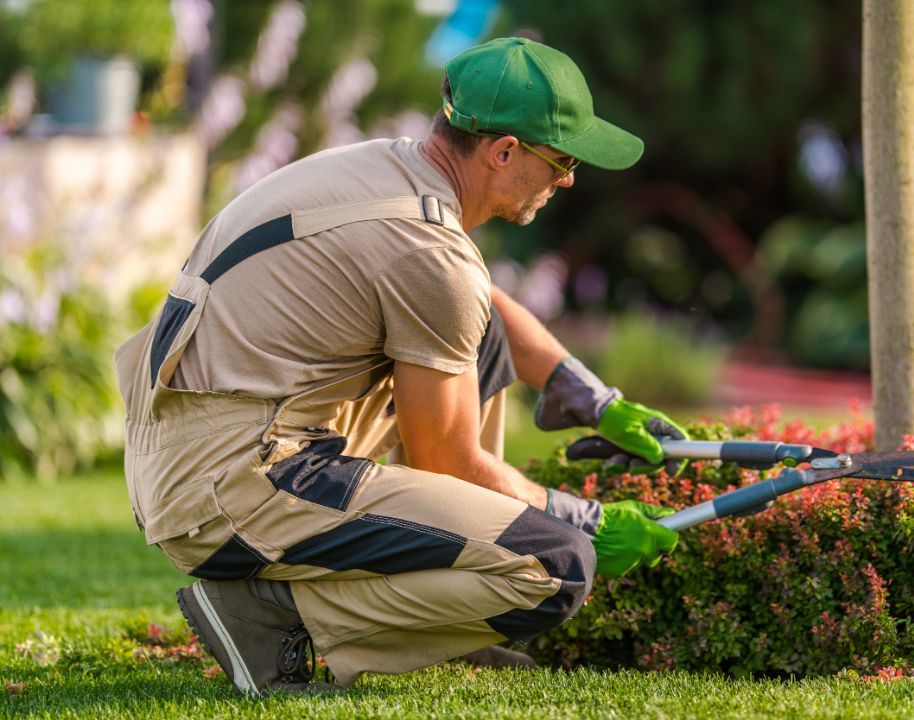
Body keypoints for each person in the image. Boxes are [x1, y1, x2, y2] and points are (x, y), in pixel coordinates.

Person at [114, 36, 684, 695]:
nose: (569, 179)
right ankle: (268, 618)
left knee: (480, 342)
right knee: (556, 567)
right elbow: (449, 461)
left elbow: (486, 311)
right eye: (560, 160)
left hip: (195, 449)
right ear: (504, 152)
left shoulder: (387, 171)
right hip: (230, 486)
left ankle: (450, 616)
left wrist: (589, 395)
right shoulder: (429, 254)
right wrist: (579, 517)